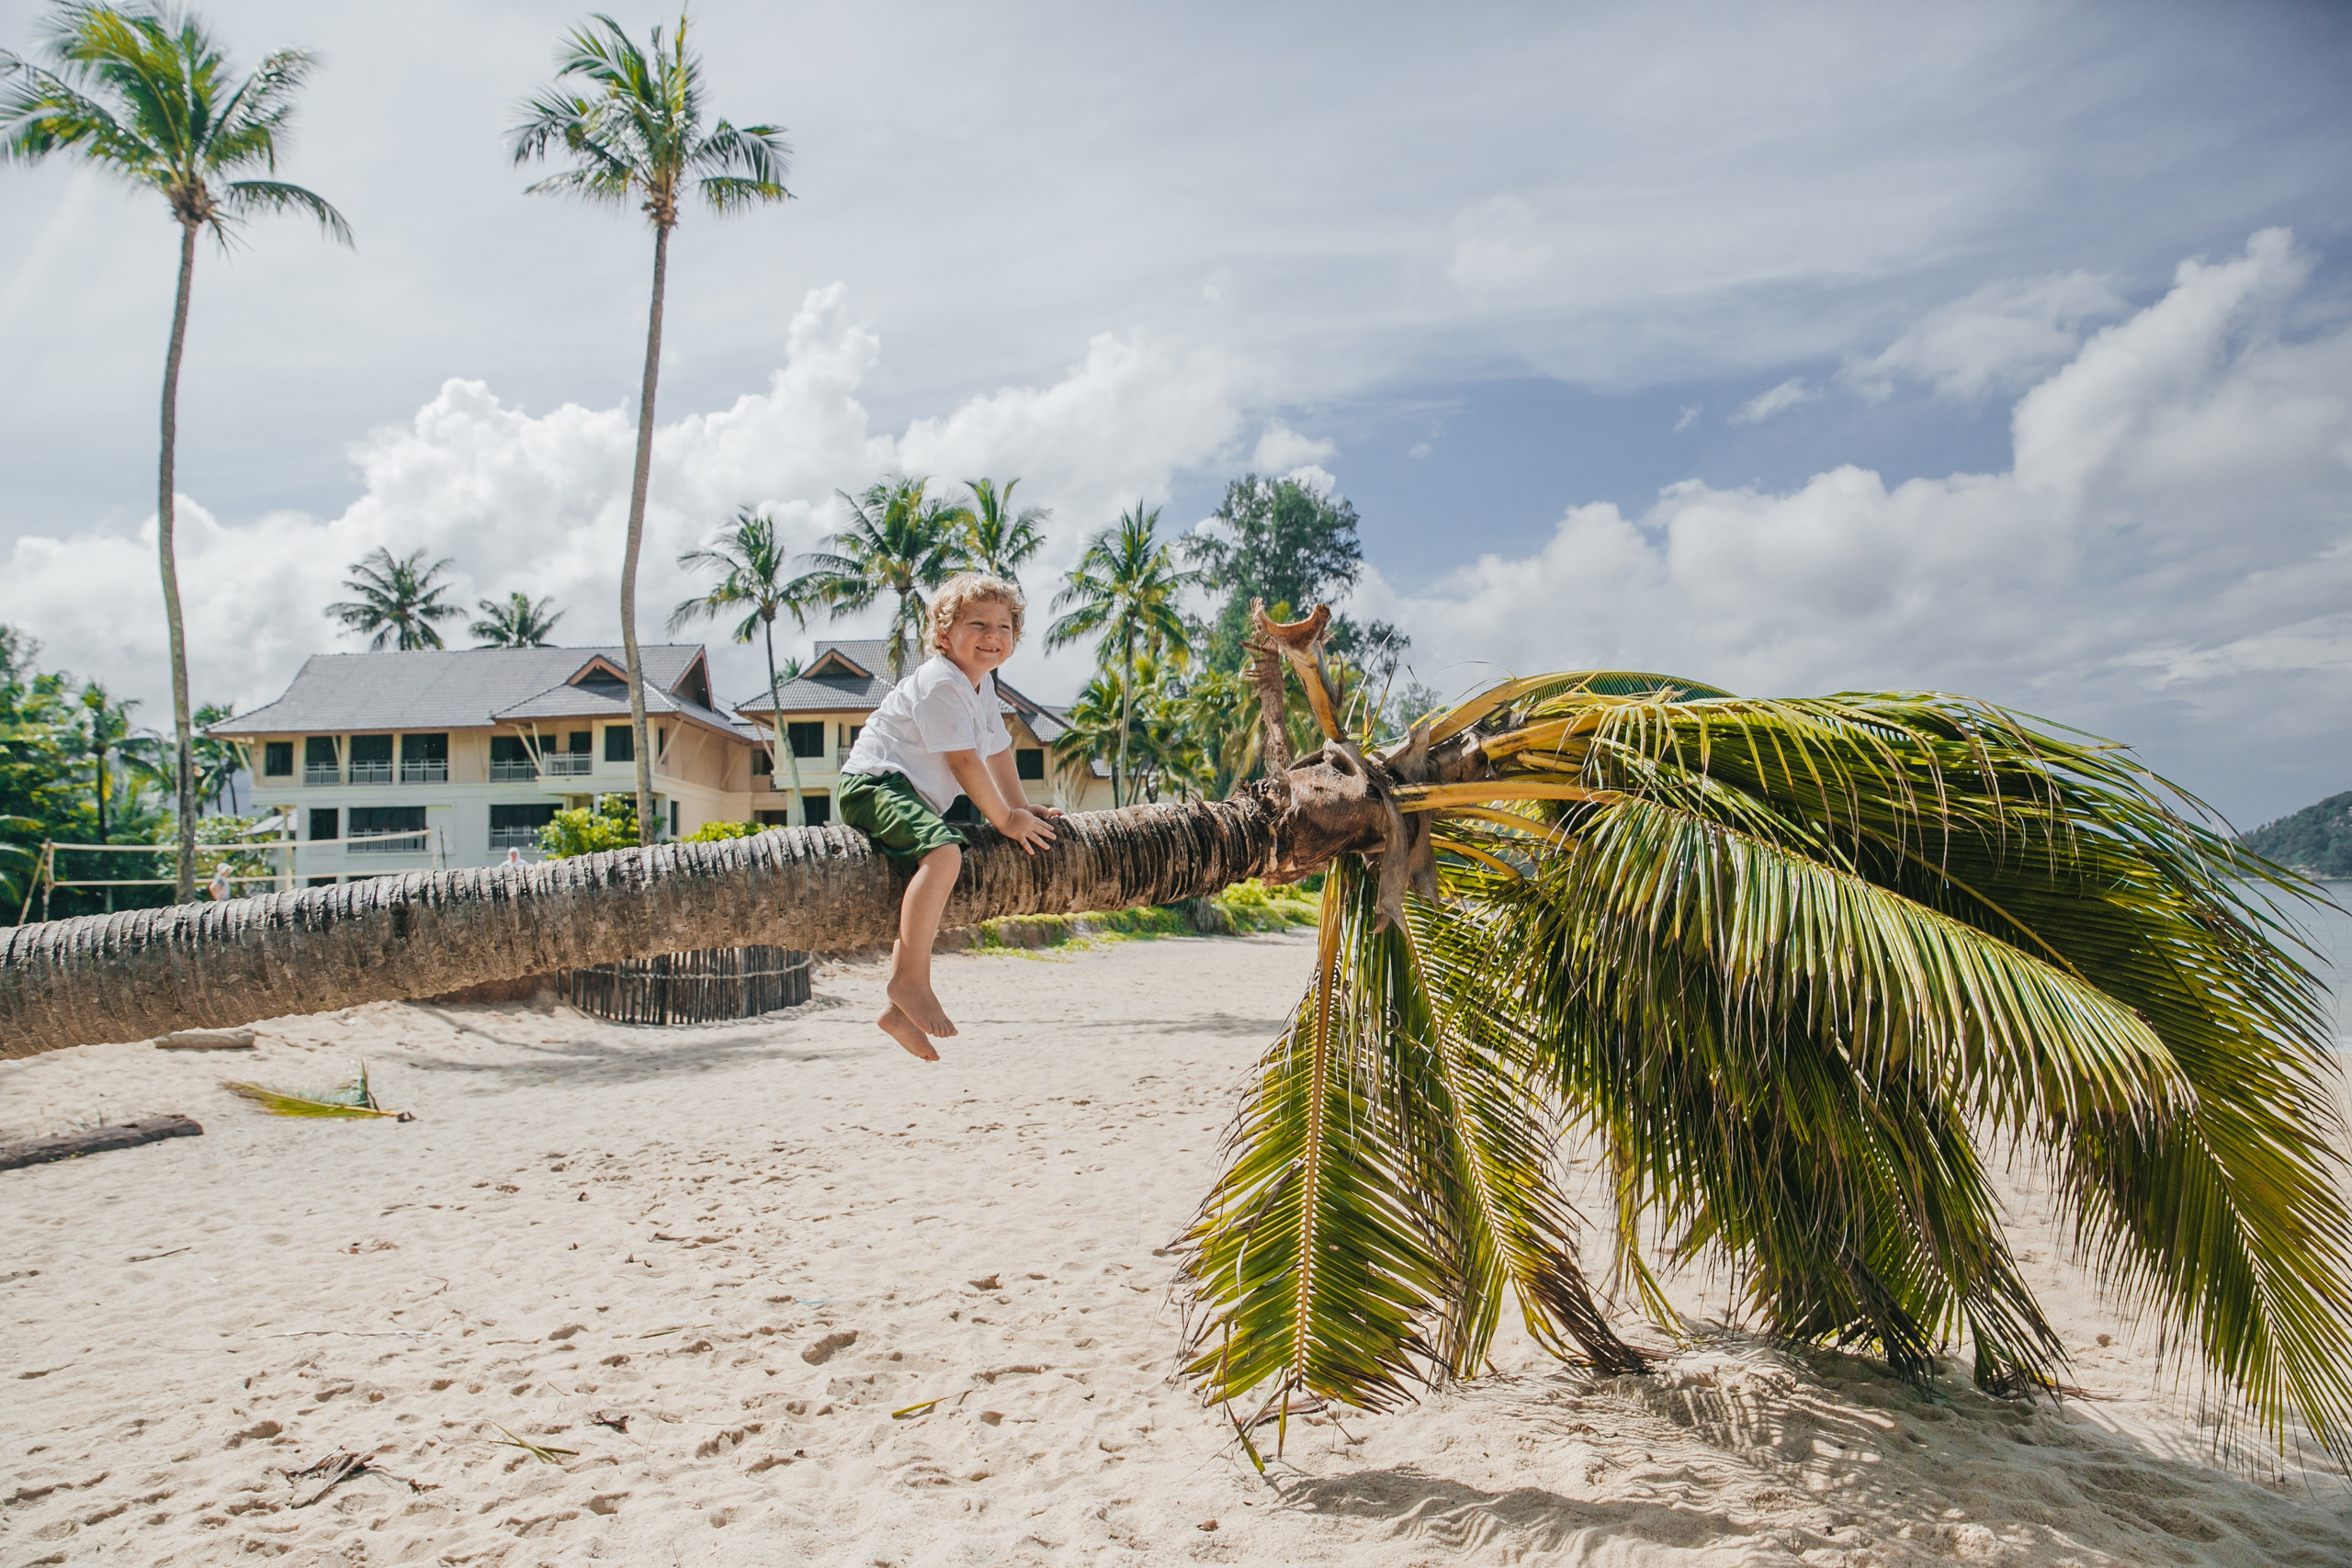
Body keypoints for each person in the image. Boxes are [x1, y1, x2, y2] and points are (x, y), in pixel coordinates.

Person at [838, 573, 1064, 1060]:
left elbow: (998, 753)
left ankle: (900, 1010)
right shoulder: (941, 683)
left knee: (929, 872)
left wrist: (1021, 808)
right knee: (943, 857)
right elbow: (964, 762)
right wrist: (1005, 821)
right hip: (875, 783)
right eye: (976, 623)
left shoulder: (980, 689)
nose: (992, 635)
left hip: (908, 795)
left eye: (1004, 626)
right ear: (943, 635)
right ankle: (911, 981)